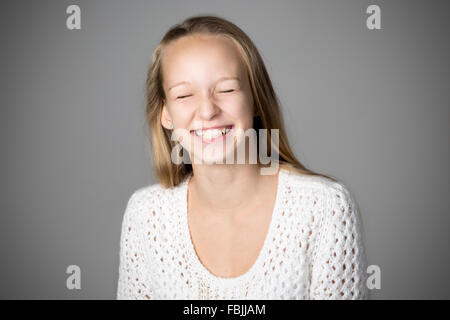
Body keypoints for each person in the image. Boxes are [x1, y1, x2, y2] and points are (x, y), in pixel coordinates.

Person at [116, 15, 369, 300]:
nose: (208, 111)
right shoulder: (145, 215)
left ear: (256, 99)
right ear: (165, 114)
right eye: (184, 95)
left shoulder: (324, 208)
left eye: (226, 89)